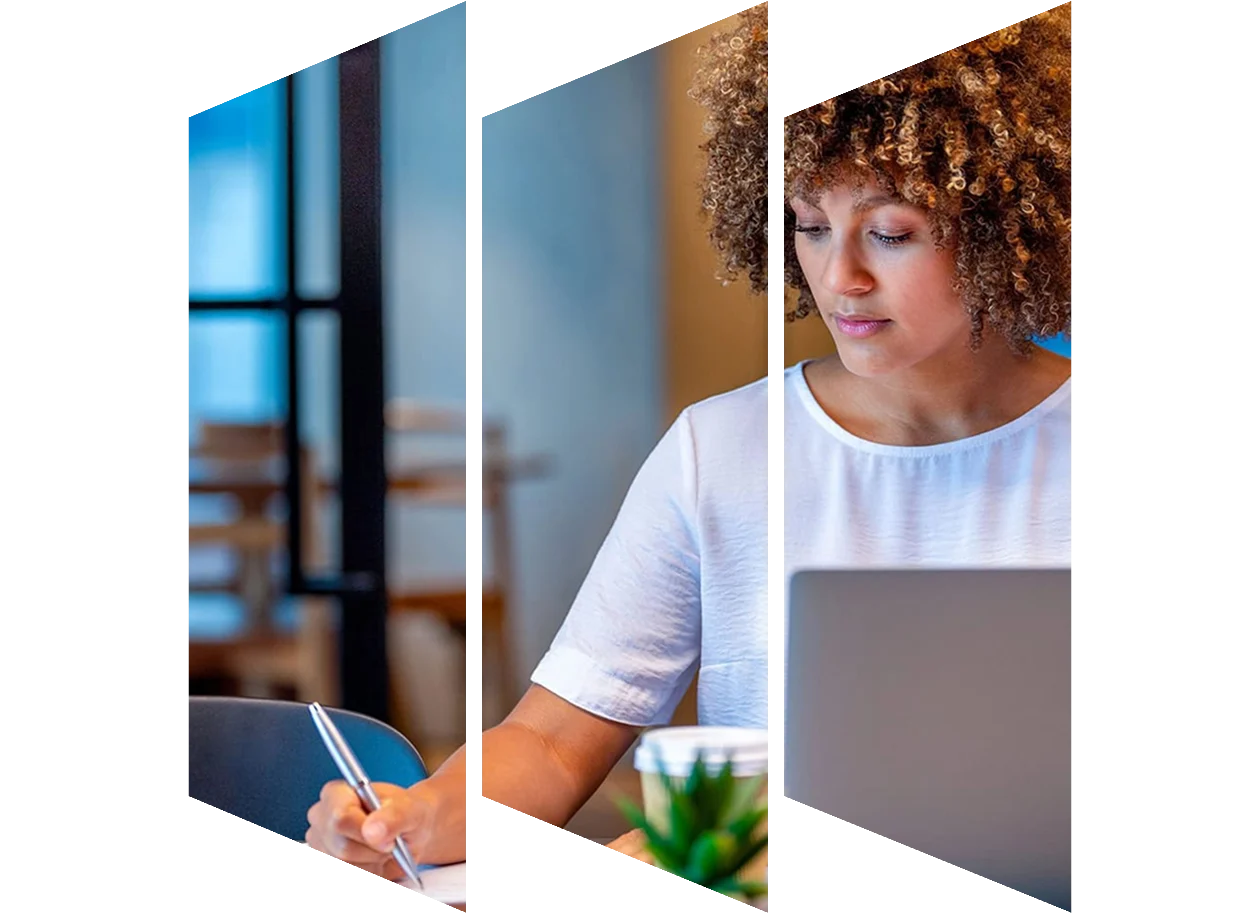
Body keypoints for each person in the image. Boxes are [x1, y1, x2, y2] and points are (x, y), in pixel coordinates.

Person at [305, 0, 1074, 881]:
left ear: (999, 221)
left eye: (890, 232)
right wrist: (420, 815)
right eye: (810, 225)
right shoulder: (724, 448)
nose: (839, 276)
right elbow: (554, 744)